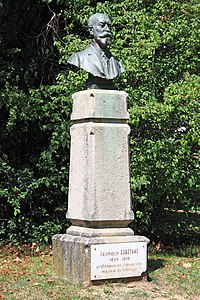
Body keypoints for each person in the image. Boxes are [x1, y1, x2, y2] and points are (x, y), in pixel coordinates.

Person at [67, 13, 125, 89]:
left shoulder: (117, 63)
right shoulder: (79, 58)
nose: (107, 29)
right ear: (91, 30)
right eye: (102, 25)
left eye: (109, 26)